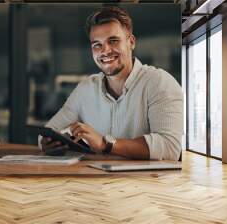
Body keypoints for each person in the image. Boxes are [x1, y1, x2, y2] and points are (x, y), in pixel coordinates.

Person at [40, 6, 183, 161]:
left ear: (131, 42)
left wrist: (105, 143)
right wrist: (47, 143)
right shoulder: (86, 88)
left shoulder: (159, 82)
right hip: (96, 181)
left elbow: (170, 148)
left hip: (145, 183)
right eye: (97, 45)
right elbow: (49, 130)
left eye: (113, 41)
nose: (105, 50)